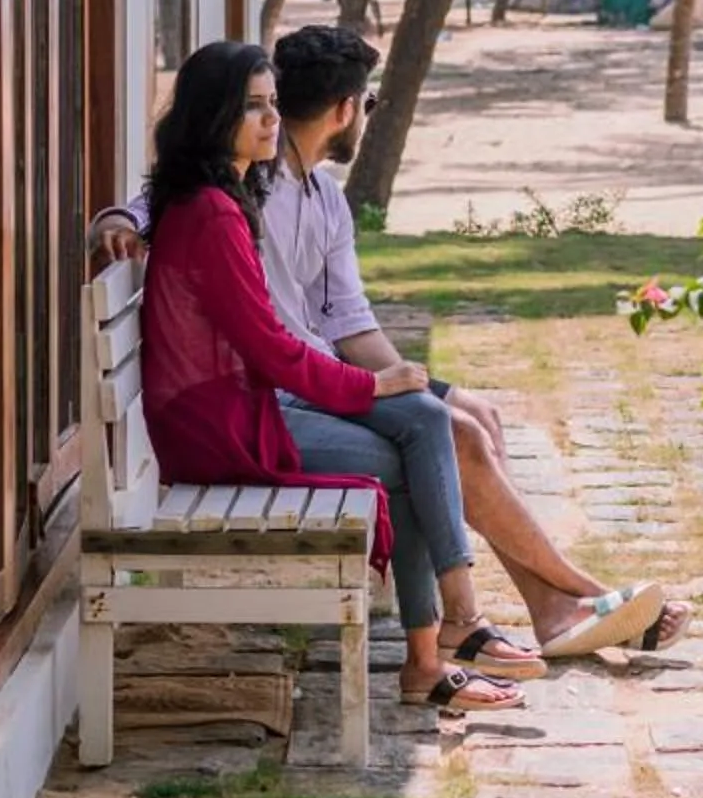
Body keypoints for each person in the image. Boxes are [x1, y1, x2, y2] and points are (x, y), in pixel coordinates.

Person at [257, 24, 694, 657]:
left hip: (332, 375)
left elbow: (351, 321)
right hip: (295, 392)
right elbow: (164, 201)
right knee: (453, 433)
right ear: (345, 109)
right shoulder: (251, 183)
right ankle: (581, 591)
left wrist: (427, 383)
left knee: (476, 413)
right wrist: (123, 218)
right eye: (369, 105)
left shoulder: (323, 195)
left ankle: (551, 608)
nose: (366, 119)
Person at [120, 41, 528, 714]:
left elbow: (280, 345)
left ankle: (453, 625)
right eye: (251, 107)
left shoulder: (228, 196)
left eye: (272, 104)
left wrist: (387, 384)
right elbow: (273, 348)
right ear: (213, 115)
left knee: (427, 418)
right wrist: (370, 386)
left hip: (245, 402)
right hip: (220, 426)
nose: (269, 120)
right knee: (408, 453)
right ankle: (437, 648)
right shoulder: (212, 212)